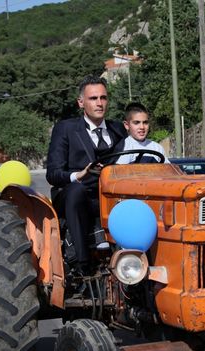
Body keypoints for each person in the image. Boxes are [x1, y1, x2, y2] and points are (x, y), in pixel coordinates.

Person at [45, 75, 126, 274]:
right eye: (93, 98)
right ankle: (81, 263)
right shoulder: (66, 129)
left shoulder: (118, 129)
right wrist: (77, 175)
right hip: (74, 194)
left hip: (109, 193)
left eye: (103, 98)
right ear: (81, 102)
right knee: (77, 191)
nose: (99, 103)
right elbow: (53, 174)